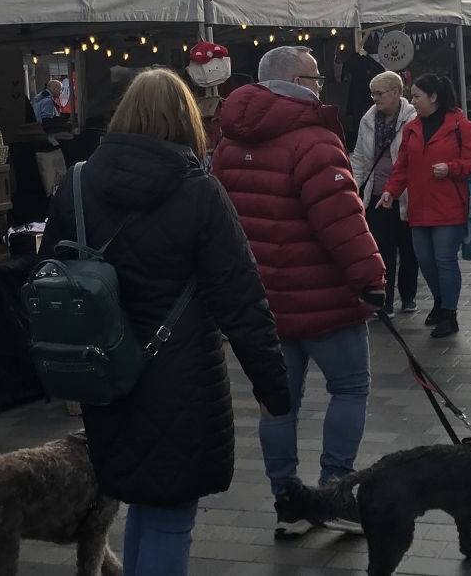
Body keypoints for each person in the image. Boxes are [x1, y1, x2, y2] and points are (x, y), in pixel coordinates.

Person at [38, 69, 292, 575]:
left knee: (143, 504)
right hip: (182, 376)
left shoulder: (77, 183)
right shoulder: (201, 193)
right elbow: (242, 301)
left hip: (107, 374)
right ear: (187, 120)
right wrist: (273, 387)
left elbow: (45, 277)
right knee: (170, 515)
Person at [210, 45, 386, 539]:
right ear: (296, 80)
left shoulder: (227, 143)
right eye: (315, 76)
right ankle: (333, 492)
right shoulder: (313, 139)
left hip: (262, 302)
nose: (321, 85)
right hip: (324, 298)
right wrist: (371, 280)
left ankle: (288, 500)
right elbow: (342, 221)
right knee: (350, 388)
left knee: (277, 402)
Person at [376, 74, 471, 339]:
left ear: (434, 97)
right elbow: (402, 167)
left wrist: (451, 168)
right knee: (425, 260)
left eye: (417, 96)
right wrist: (390, 191)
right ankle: (439, 300)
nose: (413, 101)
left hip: (449, 206)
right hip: (419, 207)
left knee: (444, 260)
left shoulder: (462, 126)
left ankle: (449, 313)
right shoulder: (412, 128)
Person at [351, 70, 419, 318]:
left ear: (396, 93)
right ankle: (385, 303)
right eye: (373, 93)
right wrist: (355, 187)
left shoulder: (413, 119)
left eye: (379, 93)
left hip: (407, 196)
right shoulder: (367, 120)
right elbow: (359, 156)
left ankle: (408, 295)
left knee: (410, 250)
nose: (375, 99)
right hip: (377, 195)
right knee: (382, 251)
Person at [338, 36, 386, 145]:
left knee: (361, 116)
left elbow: (344, 74)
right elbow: (380, 69)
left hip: (361, 92)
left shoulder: (361, 60)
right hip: (364, 92)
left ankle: (361, 137)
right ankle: (361, 137)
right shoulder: (363, 60)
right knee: (363, 115)